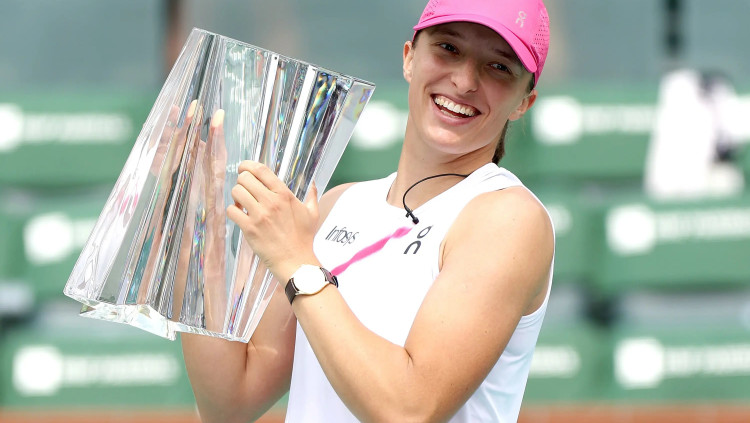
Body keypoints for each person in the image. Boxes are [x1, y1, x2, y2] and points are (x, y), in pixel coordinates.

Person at [181, 0, 553, 421]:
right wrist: (195, 221)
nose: (465, 81)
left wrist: (296, 261)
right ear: (409, 58)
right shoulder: (338, 205)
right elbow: (229, 401)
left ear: (524, 101)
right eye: (449, 48)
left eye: (498, 67)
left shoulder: (508, 218)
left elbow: (409, 409)